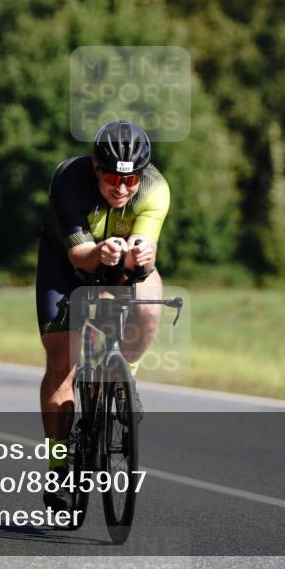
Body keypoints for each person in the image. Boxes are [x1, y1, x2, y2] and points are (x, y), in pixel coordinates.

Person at [36, 119, 170, 511]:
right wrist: (100, 254)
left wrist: (141, 255)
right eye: (113, 177)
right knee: (62, 360)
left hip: (118, 258)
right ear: (96, 167)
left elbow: (145, 251)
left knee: (149, 298)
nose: (122, 188)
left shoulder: (155, 189)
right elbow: (80, 256)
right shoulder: (68, 180)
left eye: (131, 181)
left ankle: (126, 371)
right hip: (64, 263)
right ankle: (59, 468)